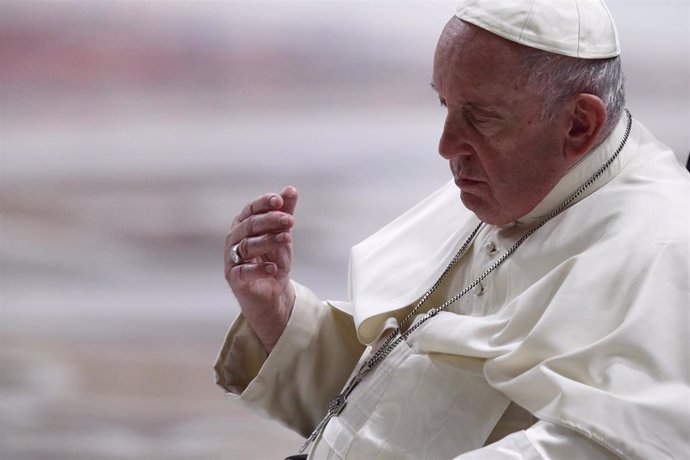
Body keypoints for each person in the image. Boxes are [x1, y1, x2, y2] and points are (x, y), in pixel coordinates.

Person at [215, 1, 690, 458]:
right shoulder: (517, 185)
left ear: (579, 125)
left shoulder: (659, 246)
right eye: (445, 103)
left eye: (480, 117)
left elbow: (612, 445)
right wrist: (279, 315)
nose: (446, 146)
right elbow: (403, 405)